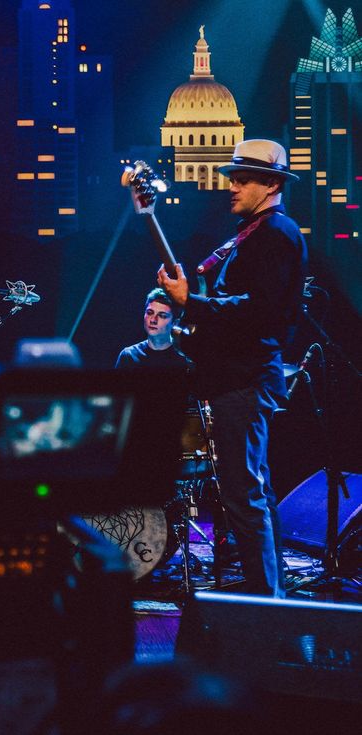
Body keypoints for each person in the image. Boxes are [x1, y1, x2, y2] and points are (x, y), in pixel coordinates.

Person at [157, 139, 306, 597]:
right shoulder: (252, 233)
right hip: (236, 378)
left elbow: (259, 311)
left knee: (244, 494)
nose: (232, 187)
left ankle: (268, 607)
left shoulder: (276, 234)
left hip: (247, 379)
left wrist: (192, 304)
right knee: (249, 492)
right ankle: (270, 598)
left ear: (273, 183)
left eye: (242, 179)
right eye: (232, 178)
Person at [115, 288, 190, 370]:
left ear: (175, 323)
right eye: (150, 313)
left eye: (162, 315)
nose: (153, 320)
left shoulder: (186, 359)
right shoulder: (128, 356)